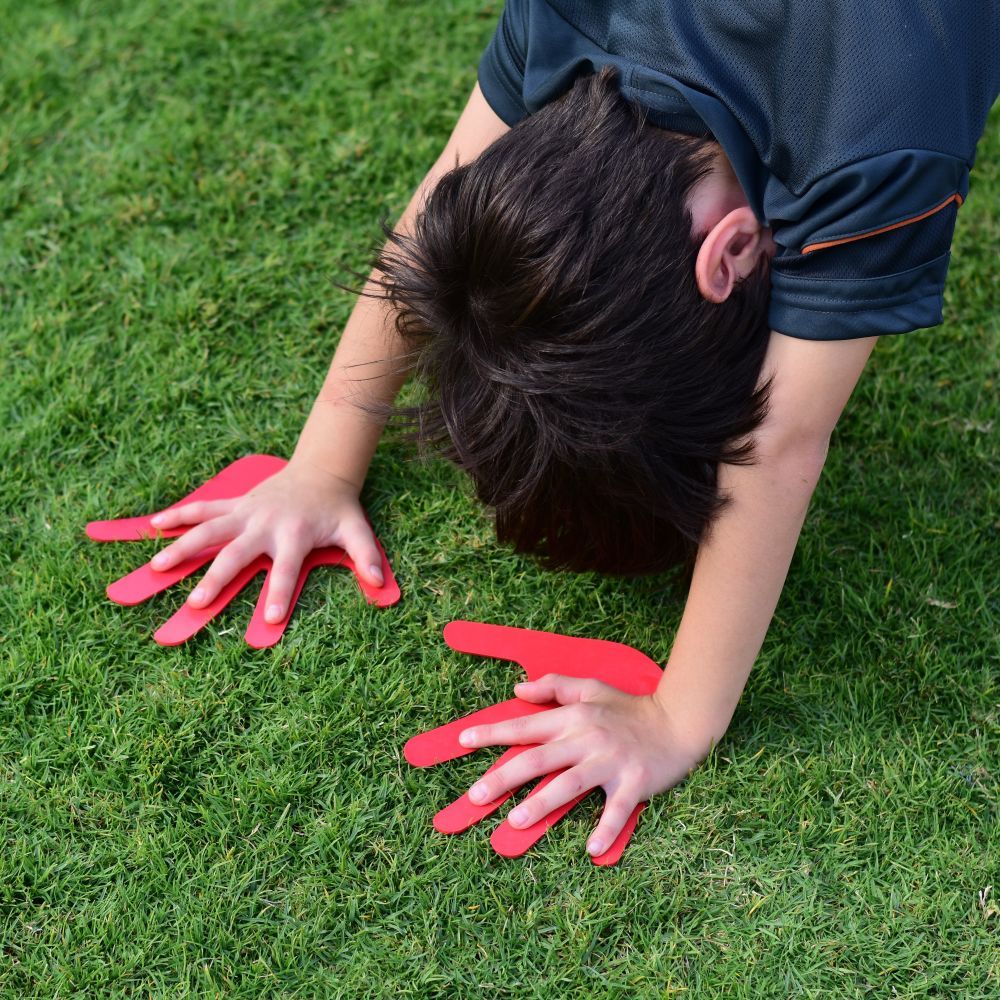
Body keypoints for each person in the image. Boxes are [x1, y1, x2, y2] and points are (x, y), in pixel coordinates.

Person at [146, 3, 997, 856]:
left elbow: (781, 439)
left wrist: (679, 718)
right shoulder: (565, 17)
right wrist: (320, 465)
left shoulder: (881, 136)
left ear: (731, 254)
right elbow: (438, 233)